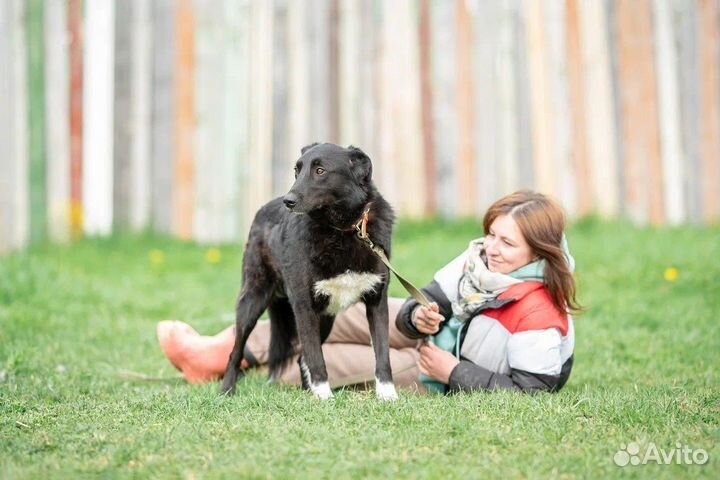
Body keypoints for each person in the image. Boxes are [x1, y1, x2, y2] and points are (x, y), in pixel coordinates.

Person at [157, 190, 580, 394]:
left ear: (537, 253)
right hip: (432, 343)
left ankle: (234, 362)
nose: (491, 247)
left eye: (506, 243)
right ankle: (216, 350)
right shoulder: (479, 263)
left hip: (443, 374)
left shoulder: (540, 316)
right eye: (491, 234)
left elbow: (532, 393)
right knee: (336, 311)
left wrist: (453, 371)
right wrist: (419, 316)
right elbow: (429, 297)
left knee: (327, 358)